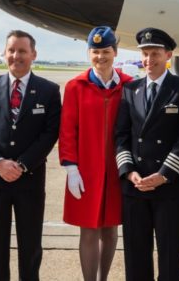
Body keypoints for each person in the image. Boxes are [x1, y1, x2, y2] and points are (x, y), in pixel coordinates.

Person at [0, 30, 61, 280]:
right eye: (11, 50)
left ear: (33, 54)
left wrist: (21, 165)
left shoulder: (49, 91)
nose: (16, 56)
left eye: (22, 51)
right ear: (4, 53)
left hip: (29, 180)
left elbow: (50, 133)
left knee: (30, 247)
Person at [114, 27, 179, 281]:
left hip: (169, 187)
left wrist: (163, 175)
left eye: (155, 54)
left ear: (168, 54)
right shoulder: (131, 90)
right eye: (145, 54)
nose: (149, 60)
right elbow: (121, 136)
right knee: (136, 255)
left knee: (170, 254)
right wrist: (129, 173)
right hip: (136, 187)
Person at [59, 26, 133, 281]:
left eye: (105, 51)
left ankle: (103, 278)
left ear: (115, 52)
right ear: (88, 53)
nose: (100, 57)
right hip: (85, 172)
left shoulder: (129, 86)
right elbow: (67, 129)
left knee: (110, 229)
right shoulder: (75, 87)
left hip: (116, 170)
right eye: (95, 51)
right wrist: (71, 168)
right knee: (88, 230)